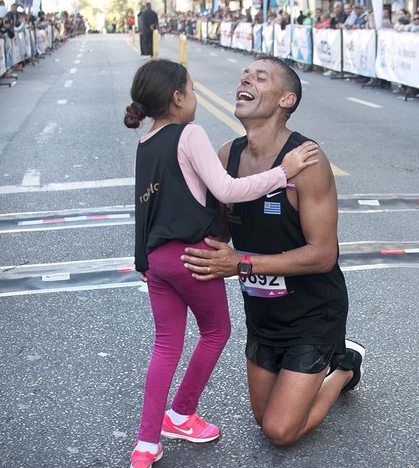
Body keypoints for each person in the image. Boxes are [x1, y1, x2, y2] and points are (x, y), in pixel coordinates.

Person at [123, 59, 319, 468]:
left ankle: (146, 443)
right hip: (194, 256)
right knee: (216, 331)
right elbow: (228, 188)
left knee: (165, 345)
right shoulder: (189, 133)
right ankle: (181, 413)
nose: (195, 98)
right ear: (178, 99)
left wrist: (142, 256)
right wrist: (285, 171)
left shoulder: (145, 142)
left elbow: (144, 204)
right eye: (192, 91)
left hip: (156, 261)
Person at [180, 55, 366, 446]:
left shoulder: (306, 161)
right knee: (263, 418)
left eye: (259, 78)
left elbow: (323, 254)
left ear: (286, 100)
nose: (245, 81)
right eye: (244, 75)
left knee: (280, 431)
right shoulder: (227, 155)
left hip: (314, 312)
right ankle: (312, 374)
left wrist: (239, 264)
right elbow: (216, 233)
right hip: (263, 311)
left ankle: (344, 367)